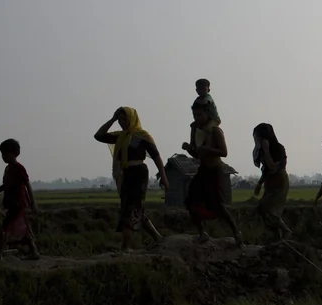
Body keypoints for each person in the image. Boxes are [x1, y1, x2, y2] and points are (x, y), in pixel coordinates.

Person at [94, 108, 168, 251]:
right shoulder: (120, 136)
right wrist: (112, 119)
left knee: (131, 209)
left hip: (139, 174)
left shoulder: (143, 136)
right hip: (126, 175)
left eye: (125, 119)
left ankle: (125, 247)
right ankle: (157, 237)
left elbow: (156, 156)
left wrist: (164, 176)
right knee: (132, 208)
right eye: (120, 120)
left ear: (132, 119)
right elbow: (99, 136)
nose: (122, 122)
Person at [182, 102, 242, 246]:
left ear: (208, 114)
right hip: (202, 170)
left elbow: (224, 152)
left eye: (199, 114)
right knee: (190, 201)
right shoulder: (197, 131)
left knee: (217, 204)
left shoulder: (215, 131)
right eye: (194, 115)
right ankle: (202, 233)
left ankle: (236, 233)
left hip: (215, 171)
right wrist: (188, 149)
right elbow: (197, 155)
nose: (196, 118)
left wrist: (208, 149)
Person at [0, 139, 40, 259]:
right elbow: (4, 186)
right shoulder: (7, 169)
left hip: (19, 203)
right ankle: (34, 252)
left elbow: (27, 184)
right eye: (2, 154)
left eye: (5, 154)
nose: (3, 157)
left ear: (13, 154)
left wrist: (33, 202)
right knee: (23, 229)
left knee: (6, 228)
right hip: (11, 203)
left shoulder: (19, 168)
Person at [250, 123, 292, 241]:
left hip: (279, 182)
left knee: (271, 211)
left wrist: (266, 150)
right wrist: (259, 184)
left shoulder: (279, 148)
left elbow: (272, 167)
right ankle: (277, 237)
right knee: (263, 210)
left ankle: (286, 231)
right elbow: (265, 170)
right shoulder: (261, 151)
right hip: (269, 182)